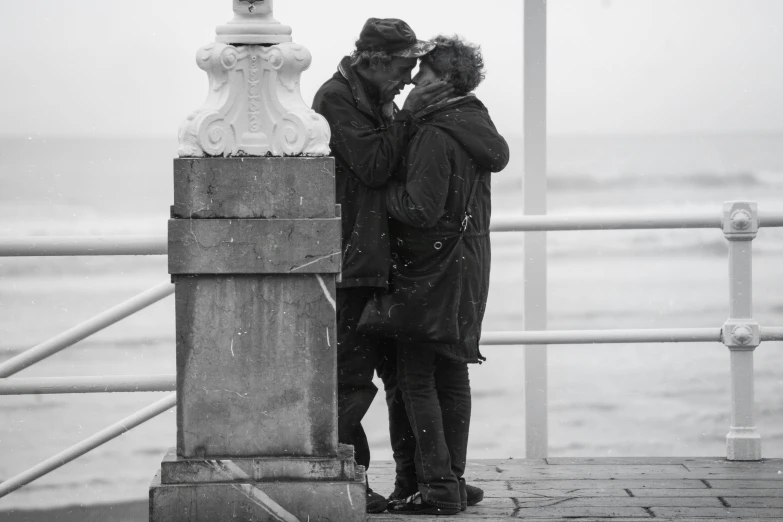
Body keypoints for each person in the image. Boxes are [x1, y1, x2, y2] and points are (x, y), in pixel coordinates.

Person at [311, 18, 453, 513]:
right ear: (373, 60)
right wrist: (406, 117)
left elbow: (382, 166)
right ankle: (353, 481)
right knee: (351, 378)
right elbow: (374, 166)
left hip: (380, 259)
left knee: (397, 378)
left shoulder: (372, 97)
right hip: (353, 262)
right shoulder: (336, 98)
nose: (409, 77)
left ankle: (411, 482)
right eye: (404, 65)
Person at [382, 35, 509, 514]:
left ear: (447, 82)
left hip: (431, 266)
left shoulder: (436, 133)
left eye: (426, 74)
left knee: (417, 375)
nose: (415, 80)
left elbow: (420, 208)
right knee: (452, 372)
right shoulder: (475, 123)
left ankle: (437, 490)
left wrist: (379, 198)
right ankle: (451, 479)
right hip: (470, 261)